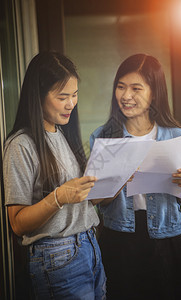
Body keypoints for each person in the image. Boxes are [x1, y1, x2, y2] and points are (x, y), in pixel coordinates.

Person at [90, 54, 181, 300]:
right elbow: (98, 202)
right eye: (120, 87)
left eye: (135, 88)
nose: (126, 96)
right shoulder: (104, 136)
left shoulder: (177, 137)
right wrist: (116, 181)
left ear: (154, 93)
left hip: (168, 237)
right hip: (120, 239)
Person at [3, 51, 106, 300]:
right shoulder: (21, 145)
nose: (71, 104)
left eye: (74, 95)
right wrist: (59, 197)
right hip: (57, 256)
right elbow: (17, 223)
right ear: (38, 96)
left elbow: (81, 204)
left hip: (89, 247)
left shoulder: (63, 134)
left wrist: (112, 182)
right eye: (63, 97)